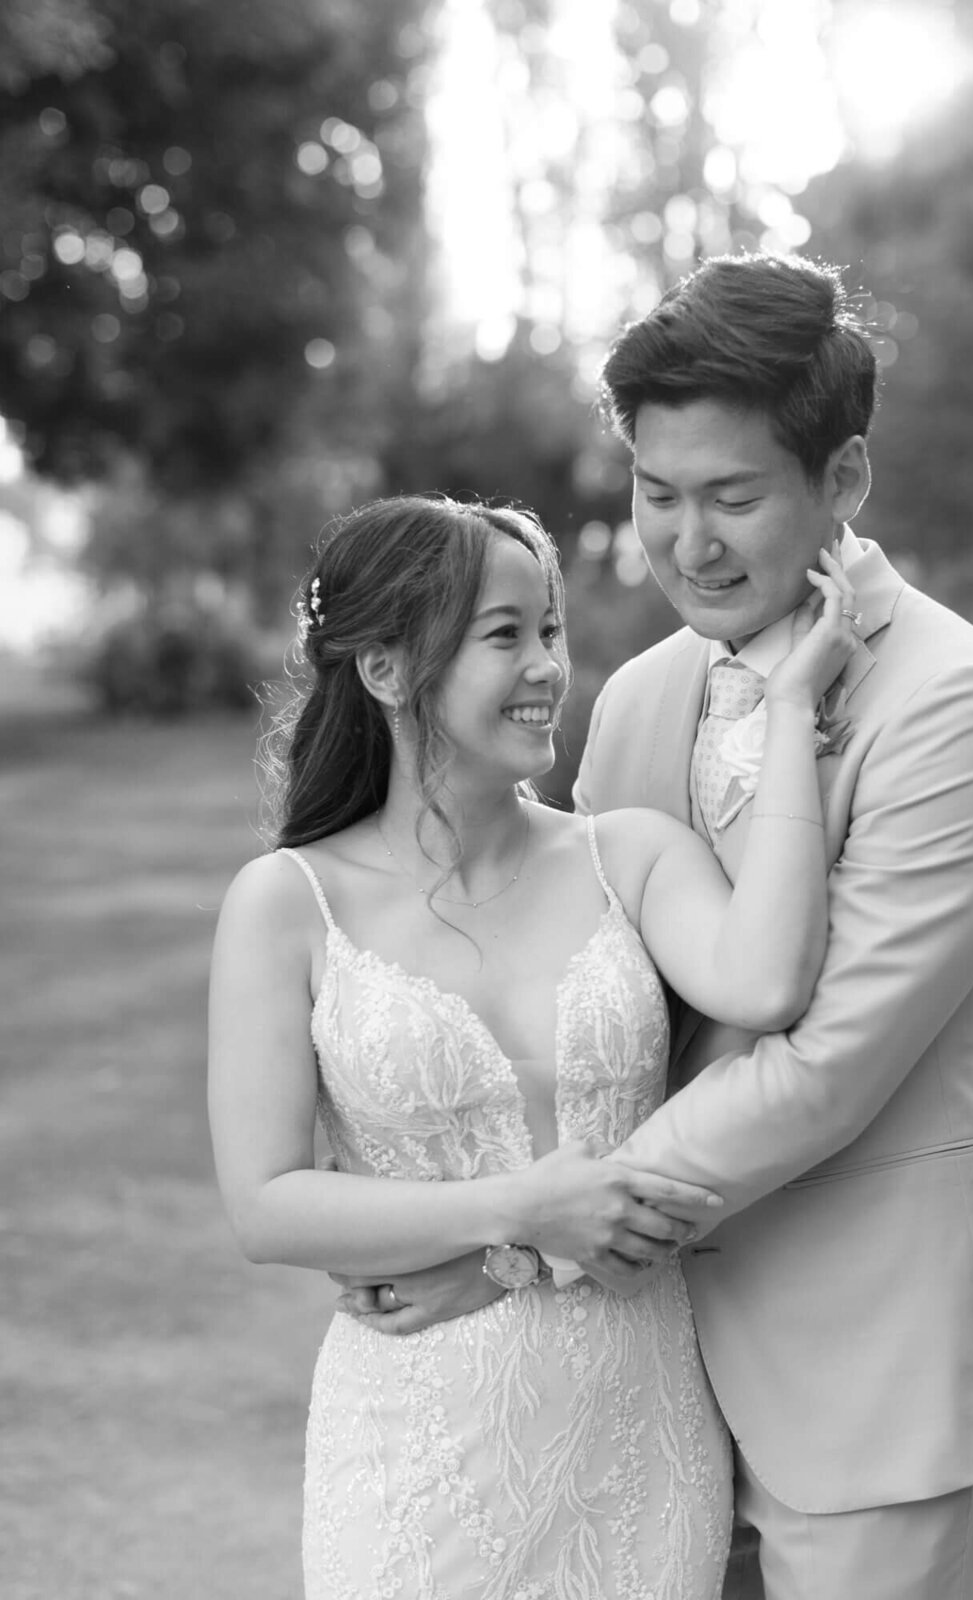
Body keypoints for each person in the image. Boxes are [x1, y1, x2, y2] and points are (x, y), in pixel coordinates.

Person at [340, 255, 973, 1600]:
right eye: (656, 492)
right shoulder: (635, 699)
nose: (687, 543)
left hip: (874, 1381)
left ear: (845, 480)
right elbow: (569, 987)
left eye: (734, 497)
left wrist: (513, 1245)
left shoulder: (957, 712)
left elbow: (821, 1074)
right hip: (643, 1383)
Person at [207, 491, 861, 1598]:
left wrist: (792, 708)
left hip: (641, 1434)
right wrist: (518, 1212)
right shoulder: (286, 904)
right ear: (384, 669)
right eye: (503, 634)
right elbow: (266, 1203)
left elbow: (768, 977)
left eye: (548, 628)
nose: (547, 664)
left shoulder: (630, 857)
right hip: (413, 1452)